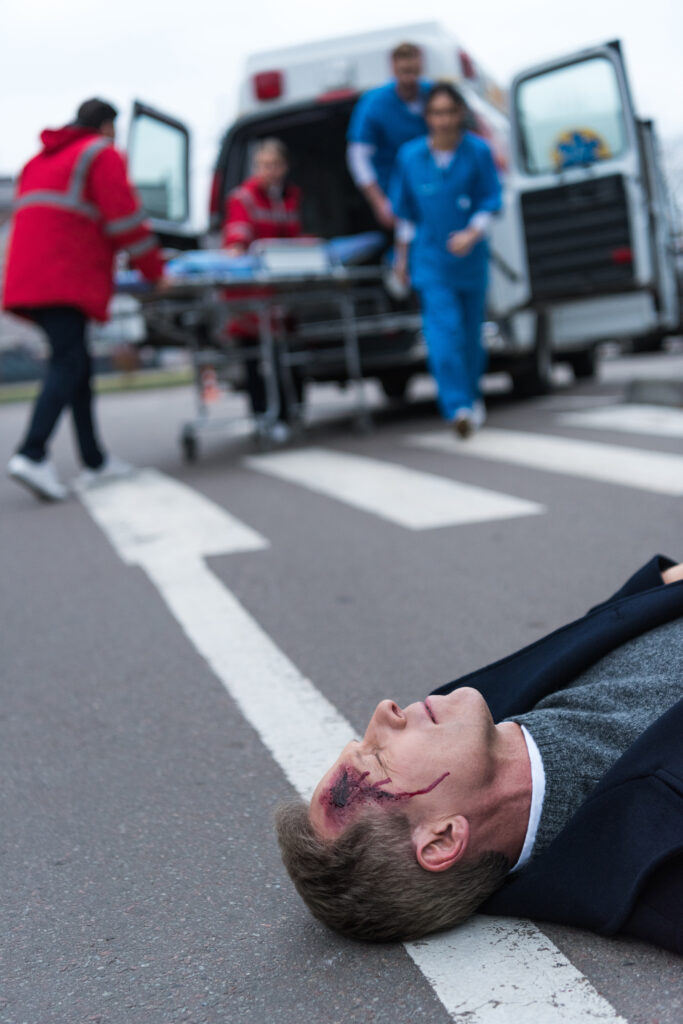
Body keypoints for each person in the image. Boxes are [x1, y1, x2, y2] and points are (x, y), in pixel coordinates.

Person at [276, 555, 683, 955]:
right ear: (443, 838)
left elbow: (640, 601)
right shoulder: (653, 873)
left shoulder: (502, 697)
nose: (385, 711)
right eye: (379, 756)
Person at [3, 98, 164, 501]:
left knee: (77, 362)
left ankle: (94, 460)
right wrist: (155, 272)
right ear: (108, 126)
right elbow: (125, 219)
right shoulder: (99, 153)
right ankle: (31, 452)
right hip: (65, 275)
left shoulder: (40, 160)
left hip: (30, 275)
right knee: (69, 361)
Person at [391, 83, 502, 437]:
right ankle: (457, 407)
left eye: (449, 112)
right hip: (430, 259)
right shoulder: (410, 157)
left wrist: (472, 233)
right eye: (436, 113)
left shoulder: (478, 152)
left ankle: (470, 395)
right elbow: (405, 214)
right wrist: (401, 258)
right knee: (443, 335)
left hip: (470, 260)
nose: (443, 120)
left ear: (459, 115)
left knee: (471, 335)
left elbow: (491, 199)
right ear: (428, 117)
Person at [222, 138, 303, 442]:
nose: (270, 171)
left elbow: (292, 238)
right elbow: (237, 240)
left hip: (279, 293)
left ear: (284, 167)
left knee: (285, 356)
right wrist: (238, 250)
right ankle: (263, 417)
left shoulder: (289, 197)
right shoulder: (244, 198)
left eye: (275, 165)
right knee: (254, 360)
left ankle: (289, 412)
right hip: (249, 297)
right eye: (264, 165)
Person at [346, 42, 432, 230]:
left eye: (414, 71)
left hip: (431, 188)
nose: (409, 79)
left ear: (421, 66)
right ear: (393, 67)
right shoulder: (374, 103)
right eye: (404, 72)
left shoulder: (433, 94)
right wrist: (380, 203)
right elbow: (358, 157)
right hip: (392, 191)